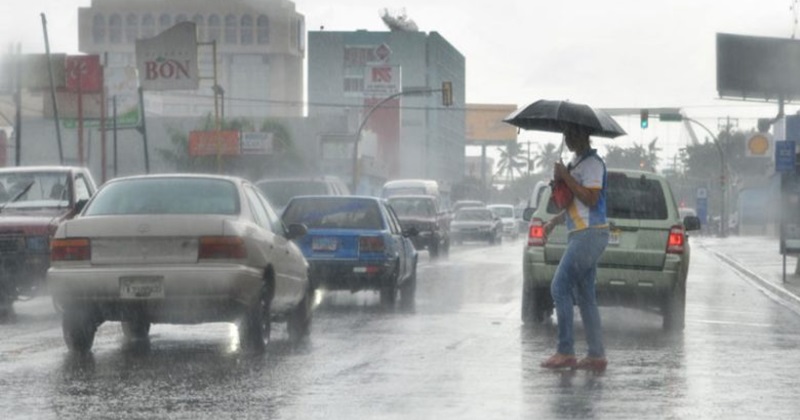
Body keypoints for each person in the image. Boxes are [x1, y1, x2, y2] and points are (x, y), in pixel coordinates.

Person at [540, 123, 610, 372]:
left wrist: (566, 177)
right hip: (581, 234)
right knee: (585, 296)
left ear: (584, 135)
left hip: (589, 235)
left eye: (572, 134)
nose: (568, 139)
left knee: (559, 286)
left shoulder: (593, 164)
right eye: (566, 134)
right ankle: (596, 354)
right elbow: (572, 205)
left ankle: (566, 350)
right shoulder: (576, 163)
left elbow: (590, 199)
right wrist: (553, 221)